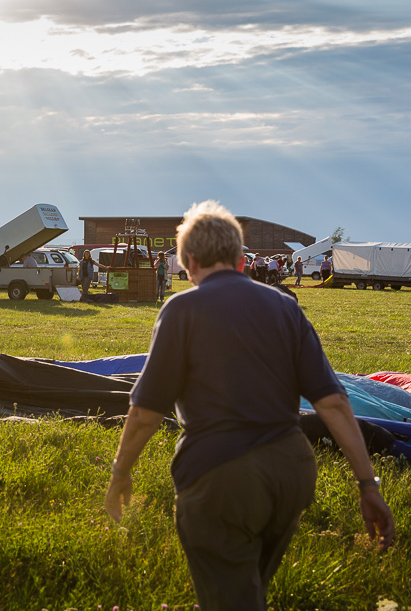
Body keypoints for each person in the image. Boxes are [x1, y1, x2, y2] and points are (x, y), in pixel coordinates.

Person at [104, 201, 394, 611]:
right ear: (241, 260)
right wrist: (368, 486)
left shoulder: (182, 309)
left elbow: (147, 411)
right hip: (291, 472)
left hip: (222, 476)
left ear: (188, 261)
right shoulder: (285, 306)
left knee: (232, 597)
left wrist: (120, 472)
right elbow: (333, 402)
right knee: (249, 585)